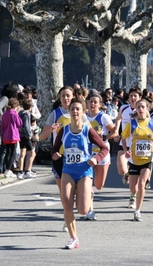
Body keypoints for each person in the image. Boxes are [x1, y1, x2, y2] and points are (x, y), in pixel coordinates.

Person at [51, 98, 108, 249]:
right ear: (69, 112)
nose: (75, 112)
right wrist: (55, 154)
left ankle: (88, 193)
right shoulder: (64, 130)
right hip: (68, 171)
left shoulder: (88, 131)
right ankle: (73, 238)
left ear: (84, 112)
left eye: (78, 109)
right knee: (67, 205)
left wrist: (96, 159)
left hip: (84, 171)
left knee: (82, 210)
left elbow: (104, 148)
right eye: (72, 109)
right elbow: (54, 148)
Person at [122, 99, 153, 221]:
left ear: (147, 109)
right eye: (139, 107)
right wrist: (126, 150)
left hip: (147, 159)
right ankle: (133, 195)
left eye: (143, 107)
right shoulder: (131, 124)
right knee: (133, 187)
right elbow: (123, 138)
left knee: (142, 184)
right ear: (136, 110)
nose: (141, 109)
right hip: (133, 160)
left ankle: (138, 211)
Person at [39, 86, 74, 232]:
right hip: (58, 156)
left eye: (68, 96)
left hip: (74, 157)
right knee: (63, 191)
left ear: (73, 97)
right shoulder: (55, 114)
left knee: (74, 190)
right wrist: (50, 130)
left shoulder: (78, 112)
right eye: (63, 96)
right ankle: (67, 217)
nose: (66, 99)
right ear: (59, 98)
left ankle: (70, 214)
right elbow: (41, 137)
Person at [85, 93, 115, 220]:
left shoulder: (104, 117)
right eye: (91, 102)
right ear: (87, 103)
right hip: (87, 154)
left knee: (99, 185)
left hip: (102, 154)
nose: (93, 104)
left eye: (95, 102)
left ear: (100, 104)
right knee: (88, 184)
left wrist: (105, 137)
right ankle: (89, 210)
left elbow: (114, 132)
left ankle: (90, 190)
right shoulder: (84, 117)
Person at [112, 87, 141, 186]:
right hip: (124, 142)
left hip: (137, 144)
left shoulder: (142, 110)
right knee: (121, 170)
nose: (133, 98)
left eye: (135, 96)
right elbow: (118, 119)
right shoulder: (123, 108)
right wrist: (116, 131)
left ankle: (135, 191)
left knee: (137, 172)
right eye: (131, 96)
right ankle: (127, 174)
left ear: (139, 97)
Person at [0, 82, 19, 174]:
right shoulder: (5, 98)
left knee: (6, 150)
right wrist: (4, 118)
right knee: (4, 150)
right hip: (5, 127)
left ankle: (4, 168)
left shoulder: (8, 99)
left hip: (6, 127)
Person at [0, 98, 22, 178]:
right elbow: (19, 124)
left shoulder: (5, 114)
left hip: (6, 135)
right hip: (13, 135)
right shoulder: (14, 114)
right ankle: (9, 169)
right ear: (15, 106)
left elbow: (2, 126)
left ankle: (7, 169)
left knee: (7, 152)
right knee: (13, 152)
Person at [17, 99, 36, 179]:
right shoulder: (27, 114)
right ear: (30, 107)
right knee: (32, 153)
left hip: (20, 135)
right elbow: (27, 125)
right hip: (26, 135)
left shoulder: (20, 113)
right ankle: (27, 171)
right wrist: (30, 135)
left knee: (22, 153)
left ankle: (20, 171)